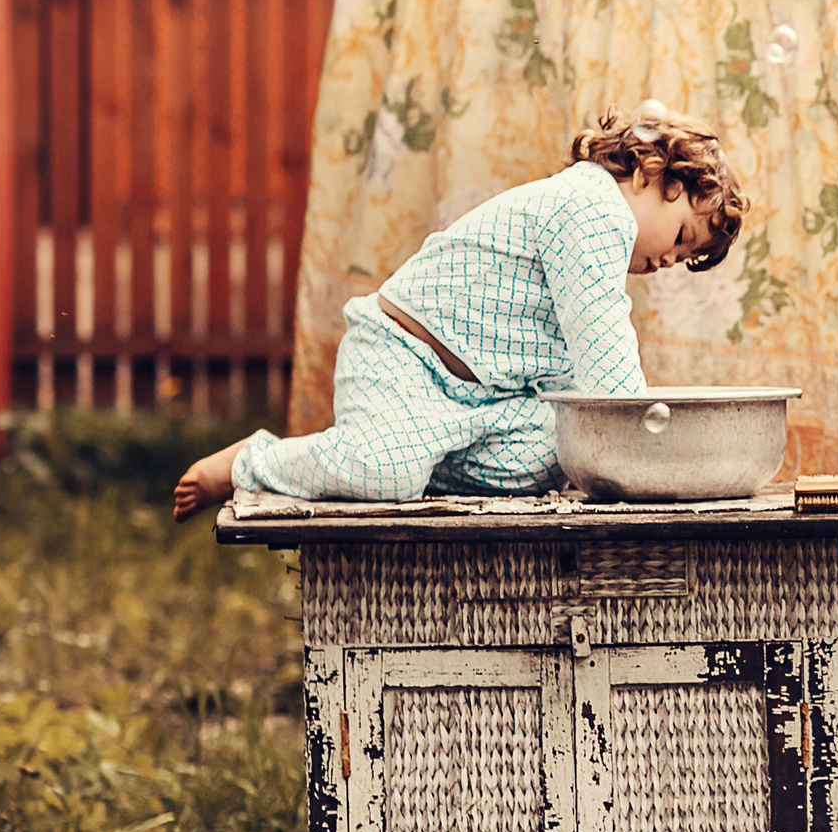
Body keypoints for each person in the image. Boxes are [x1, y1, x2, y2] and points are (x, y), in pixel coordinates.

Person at [173, 101, 748, 521]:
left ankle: (417, 460)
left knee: (565, 453)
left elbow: (577, 379)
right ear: (650, 173)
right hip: (404, 358)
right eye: (680, 238)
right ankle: (254, 461)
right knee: (384, 473)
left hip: (481, 405)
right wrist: (656, 447)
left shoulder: (598, 234)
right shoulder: (594, 209)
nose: (669, 260)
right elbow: (607, 360)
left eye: (683, 257)